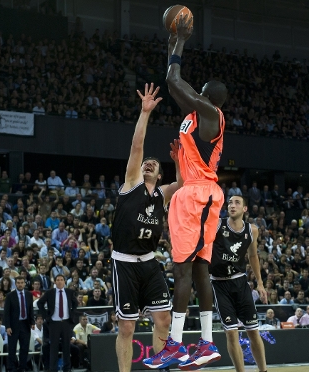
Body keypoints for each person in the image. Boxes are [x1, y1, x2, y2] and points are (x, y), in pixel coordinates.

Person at [144, 15, 228, 371]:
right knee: (197, 273)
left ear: (208, 95)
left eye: (202, 87)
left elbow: (173, 79)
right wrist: (171, 41)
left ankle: (176, 346)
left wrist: (183, 39)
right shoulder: (194, 116)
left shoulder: (208, 112)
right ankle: (205, 344)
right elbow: (175, 77)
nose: (196, 89)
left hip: (198, 196)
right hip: (198, 191)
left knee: (182, 272)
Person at [110, 83, 182, 372]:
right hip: (125, 262)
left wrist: (178, 161)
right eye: (146, 163)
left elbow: (184, 185)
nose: (148, 164)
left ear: (160, 174)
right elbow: (137, 147)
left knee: (163, 319)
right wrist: (145, 113)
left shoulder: (162, 195)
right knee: (126, 327)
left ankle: (161, 367)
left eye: (154, 163)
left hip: (150, 263)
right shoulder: (131, 183)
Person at [208, 196, 268, 372]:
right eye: (230, 203)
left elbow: (253, 256)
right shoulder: (217, 224)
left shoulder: (252, 230)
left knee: (253, 331)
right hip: (219, 284)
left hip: (240, 282)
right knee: (231, 332)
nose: (232, 205)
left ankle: (263, 370)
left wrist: (260, 283)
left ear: (245, 209)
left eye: (237, 203)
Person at [37, 274, 77, 372]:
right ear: (55, 282)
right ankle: (53, 369)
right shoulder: (50, 292)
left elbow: (75, 303)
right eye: (57, 280)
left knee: (66, 347)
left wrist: (72, 313)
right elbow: (40, 303)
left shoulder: (69, 292)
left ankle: (67, 368)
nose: (59, 281)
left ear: (64, 282)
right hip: (54, 323)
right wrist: (46, 315)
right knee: (53, 347)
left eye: (61, 280)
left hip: (66, 322)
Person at [3, 275, 35, 372]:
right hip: (13, 325)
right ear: (15, 284)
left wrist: (32, 322)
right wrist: (7, 326)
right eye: (18, 283)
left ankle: (22, 367)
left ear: (24, 283)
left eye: (22, 283)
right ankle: (12, 368)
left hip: (25, 324)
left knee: (24, 347)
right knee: (12, 348)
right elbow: (6, 312)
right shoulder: (10, 296)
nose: (20, 285)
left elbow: (30, 309)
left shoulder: (29, 294)